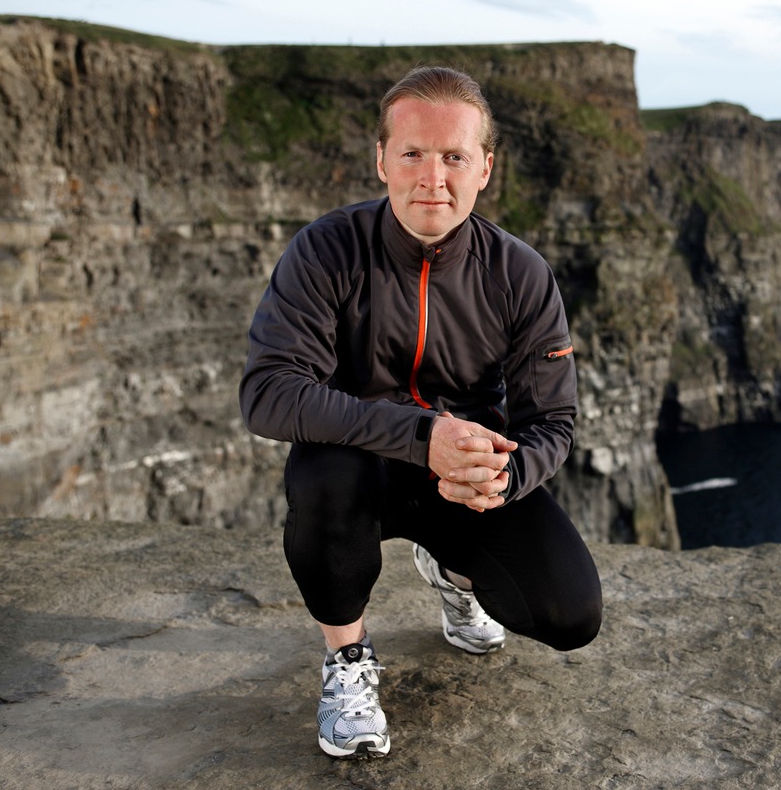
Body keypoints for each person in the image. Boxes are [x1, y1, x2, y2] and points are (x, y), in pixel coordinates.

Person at [238, 65, 603, 759]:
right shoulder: (327, 250)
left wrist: (506, 475)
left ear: (484, 168)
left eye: (454, 157)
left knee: (570, 615)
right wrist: (420, 434)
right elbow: (268, 392)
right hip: (358, 472)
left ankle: (453, 573)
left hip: (463, 481)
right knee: (321, 474)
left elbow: (553, 422)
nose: (432, 177)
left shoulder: (519, 272)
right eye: (412, 153)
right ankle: (347, 660)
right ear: (382, 159)